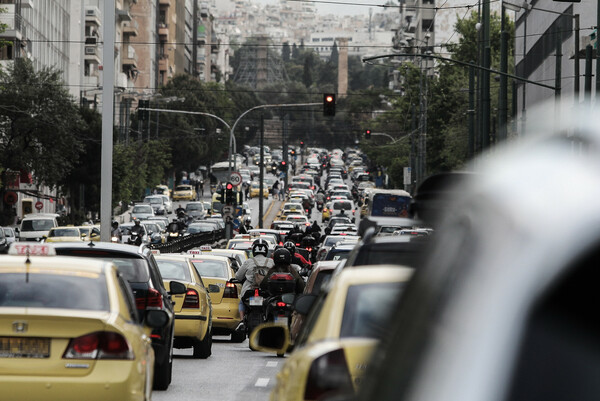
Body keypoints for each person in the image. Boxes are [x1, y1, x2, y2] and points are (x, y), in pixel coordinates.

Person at [235, 238, 274, 325]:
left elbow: (238, 276)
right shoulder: (271, 262)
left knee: (241, 302)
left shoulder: (248, 262)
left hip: (249, 290)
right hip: (266, 291)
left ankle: (241, 321)